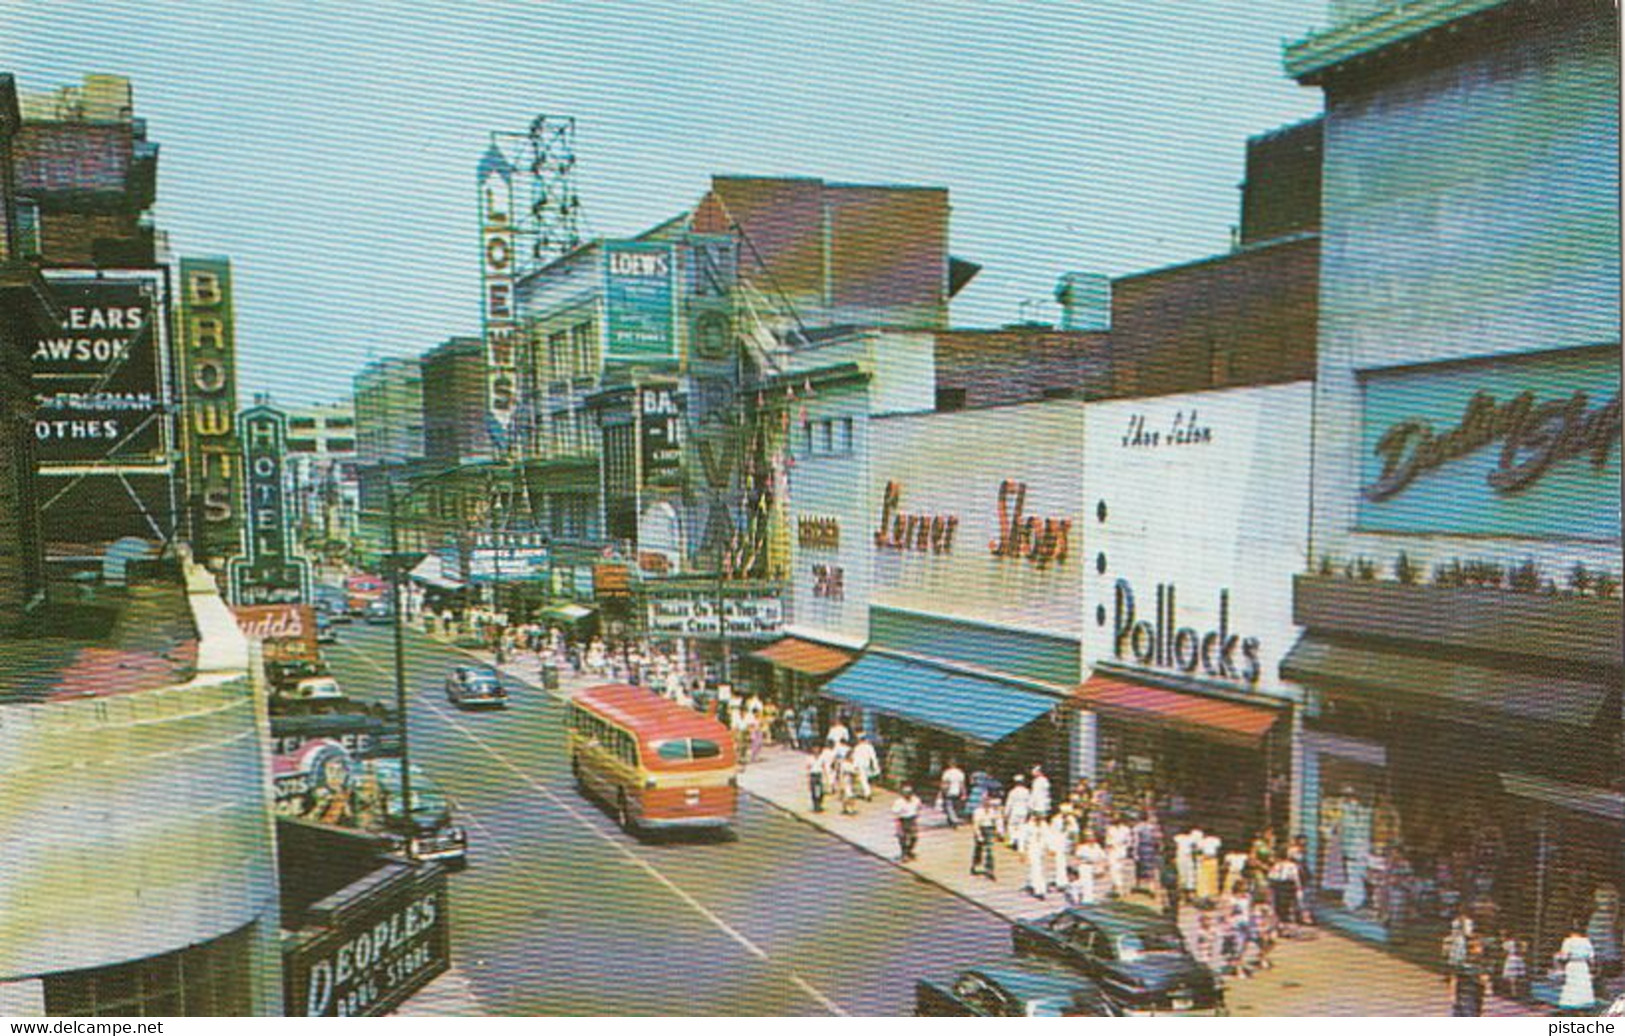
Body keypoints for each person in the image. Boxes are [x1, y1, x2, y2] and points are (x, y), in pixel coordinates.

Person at [1557, 920, 1598, 1013]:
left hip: (1573, 965)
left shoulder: (1568, 941)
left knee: (1572, 985)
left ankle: (1572, 1005)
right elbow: (1591, 957)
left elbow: (1564, 956)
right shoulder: (1586, 941)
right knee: (1583, 984)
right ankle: (1584, 1004)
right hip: (1583, 966)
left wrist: (1559, 956)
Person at [1451, 938, 1489, 1017]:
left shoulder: (1482, 963)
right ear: (1471, 949)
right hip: (1465, 997)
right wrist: (1453, 995)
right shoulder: (1463, 965)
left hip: (1475, 996)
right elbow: (1454, 979)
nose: (1481, 949)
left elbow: (1485, 981)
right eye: (1478, 947)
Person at [1073, 830, 1107, 906]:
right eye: (1088, 836)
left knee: (1090, 884)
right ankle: (1085, 900)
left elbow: (1102, 856)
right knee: (1086, 883)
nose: (1090, 838)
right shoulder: (1082, 847)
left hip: (1094, 866)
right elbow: (1078, 857)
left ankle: (1088, 898)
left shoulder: (1097, 846)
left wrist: (1102, 866)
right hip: (1085, 866)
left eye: (1092, 836)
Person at [971, 796, 1000, 880]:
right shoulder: (978, 812)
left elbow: (996, 821)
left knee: (989, 850)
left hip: (989, 829)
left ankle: (989, 869)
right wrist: (979, 835)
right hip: (981, 829)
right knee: (978, 849)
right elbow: (976, 824)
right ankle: (975, 864)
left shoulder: (993, 811)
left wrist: (998, 832)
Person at [893, 783, 923, 862]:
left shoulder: (916, 800)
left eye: (909, 793)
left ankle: (909, 851)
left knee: (914, 837)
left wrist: (916, 816)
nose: (907, 795)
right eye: (905, 793)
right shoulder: (899, 802)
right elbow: (896, 813)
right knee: (903, 838)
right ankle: (904, 854)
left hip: (912, 819)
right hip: (903, 820)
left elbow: (919, 807)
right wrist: (898, 825)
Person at [1024, 813, 1051, 899]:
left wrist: (1050, 847)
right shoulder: (1027, 826)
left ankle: (1033, 884)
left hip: (1041, 849)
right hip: (1032, 848)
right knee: (1036, 868)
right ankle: (1039, 890)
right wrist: (1022, 852)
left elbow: (1048, 836)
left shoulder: (1044, 825)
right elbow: (1022, 839)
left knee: (1039, 868)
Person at [1004, 775, 1032, 850]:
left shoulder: (1013, 792)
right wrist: (1029, 812)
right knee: (1022, 827)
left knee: (1012, 826)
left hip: (1014, 811)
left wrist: (1006, 813)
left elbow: (1009, 803)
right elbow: (1029, 803)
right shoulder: (1027, 791)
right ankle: (1020, 841)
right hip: (1024, 811)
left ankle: (1014, 839)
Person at [851, 733, 880, 801]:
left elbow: (855, 758)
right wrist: (875, 765)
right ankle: (867, 792)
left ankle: (867, 793)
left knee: (863, 780)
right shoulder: (869, 747)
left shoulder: (857, 748)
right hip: (867, 764)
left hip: (861, 765)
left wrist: (855, 766)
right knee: (866, 779)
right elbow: (873, 757)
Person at [939, 759, 967, 828]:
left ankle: (954, 820)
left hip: (949, 792)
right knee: (955, 807)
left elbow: (944, 783)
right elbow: (962, 784)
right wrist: (964, 793)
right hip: (957, 792)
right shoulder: (960, 773)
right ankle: (952, 819)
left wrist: (941, 792)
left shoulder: (947, 773)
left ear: (949, 764)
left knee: (949, 807)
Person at [807, 743, 830, 813]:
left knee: (820, 791)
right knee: (814, 791)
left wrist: (826, 776)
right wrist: (808, 779)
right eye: (815, 748)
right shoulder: (809, 758)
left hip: (819, 774)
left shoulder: (822, 757)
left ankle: (819, 804)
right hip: (813, 774)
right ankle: (815, 805)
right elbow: (808, 768)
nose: (816, 750)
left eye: (817, 749)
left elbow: (823, 766)